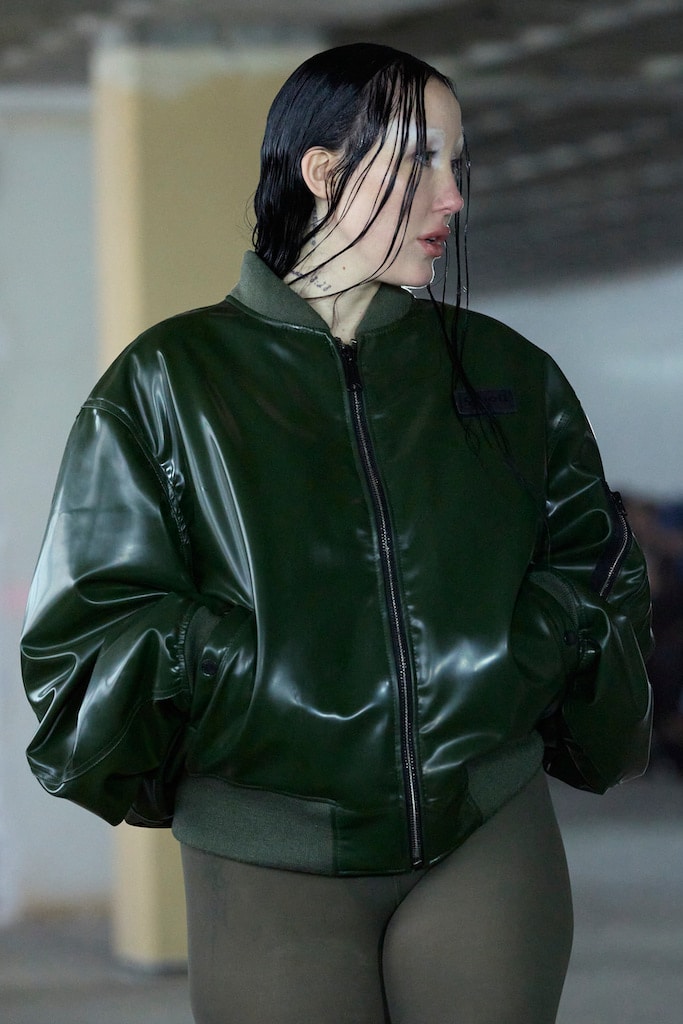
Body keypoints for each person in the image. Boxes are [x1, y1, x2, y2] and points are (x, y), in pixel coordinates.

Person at [21, 43, 652, 1024]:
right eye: (420, 161)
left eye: (457, 163)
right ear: (323, 172)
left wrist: (519, 651)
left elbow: (594, 567)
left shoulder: (506, 375)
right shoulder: (168, 382)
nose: (452, 197)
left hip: (486, 822)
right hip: (268, 847)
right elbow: (89, 628)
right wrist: (247, 670)